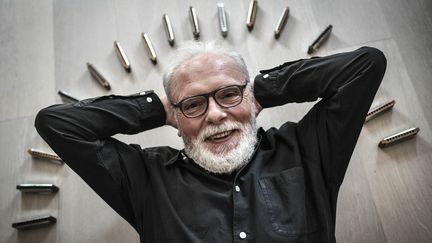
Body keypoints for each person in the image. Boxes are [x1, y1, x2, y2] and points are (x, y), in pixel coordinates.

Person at [35, 41, 386, 242]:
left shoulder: (306, 150)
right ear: (176, 119)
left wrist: (261, 90)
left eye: (229, 94)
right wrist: (158, 107)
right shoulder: (146, 179)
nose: (215, 115)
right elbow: (57, 124)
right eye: (194, 104)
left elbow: (365, 65)